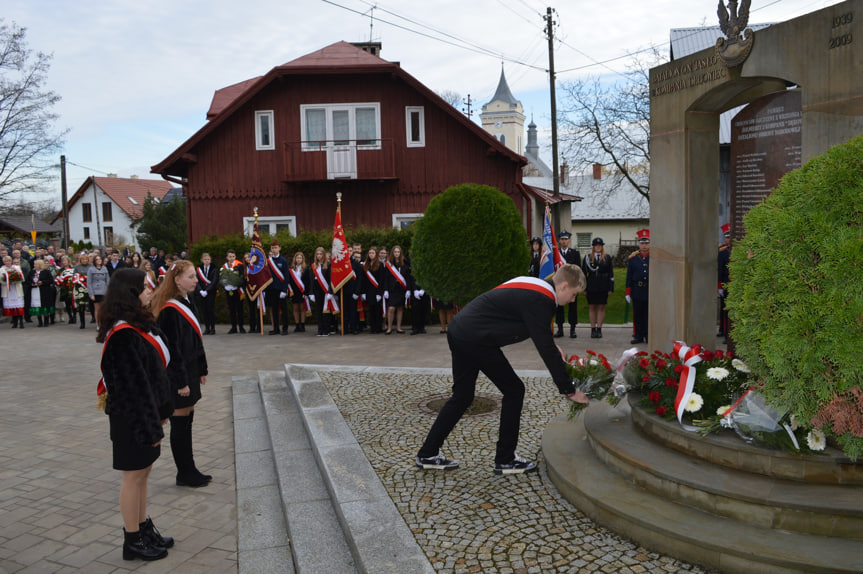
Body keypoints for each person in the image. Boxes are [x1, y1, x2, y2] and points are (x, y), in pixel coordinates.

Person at [416, 265, 588, 474]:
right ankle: (505, 459)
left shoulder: (535, 286)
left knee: (462, 396)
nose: (572, 300)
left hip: (461, 329)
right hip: (475, 339)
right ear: (563, 286)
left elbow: (540, 338)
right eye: (573, 294)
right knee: (515, 390)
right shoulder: (542, 300)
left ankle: (427, 454)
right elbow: (545, 348)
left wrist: (550, 347)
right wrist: (569, 389)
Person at [97, 268, 174, 561]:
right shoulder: (122, 334)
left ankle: (143, 528)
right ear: (128, 292)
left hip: (145, 416)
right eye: (143, 287)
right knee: (133, 477)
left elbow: (152, 374)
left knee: (143, 473)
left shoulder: (138, 323)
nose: (149, 291)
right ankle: (132, 540)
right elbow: (132, 389)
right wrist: (150, 428)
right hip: (133, 420)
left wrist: (161, 411)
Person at [150, 261, 211, 488]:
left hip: (191, 370)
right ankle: (184, 473)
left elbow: (196, 338)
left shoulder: (187, 300)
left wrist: (202, 368)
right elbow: (172, 349)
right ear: (176, 279)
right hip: (179, 375)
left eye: (195, 276)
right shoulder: (169, 308)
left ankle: (190, 467)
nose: (196, 280)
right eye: (191, 277)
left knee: (187, 420)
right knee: (180, 422)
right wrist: (181, 381)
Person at [582, 237, 614, 339]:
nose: (598, 247)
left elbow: (611, 274)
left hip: (603, 285)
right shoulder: (588, 258)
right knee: (592, 307)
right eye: (596, 245)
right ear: (593, 247)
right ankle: (592, 329)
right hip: (591, 285)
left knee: (601, 307)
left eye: (600, 245)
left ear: (602, 247)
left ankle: (599, 329)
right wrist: (584, 288)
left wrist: (610, 287)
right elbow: (583, 274)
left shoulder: (607, 257)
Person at [625, 229, 650, 344]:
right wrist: (627, 292)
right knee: (638, 314)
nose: (644, 246)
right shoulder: (633, 258)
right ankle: (638, 335)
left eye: (646, 243)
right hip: (637, 289)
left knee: (648, 314)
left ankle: (648, 335)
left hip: (649, 290)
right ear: (639, 244)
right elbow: (629, 276)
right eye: (642, 243)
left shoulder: (654, 258)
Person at [555, 231, 581, 338]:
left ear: (569, 240)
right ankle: (560, 329)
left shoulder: (575, 253)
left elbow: (578, 269)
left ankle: (572, 330)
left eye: (566, 239)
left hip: (571, 285)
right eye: (562, 239)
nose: (564, 241)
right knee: (559, 307)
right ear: (559, 241)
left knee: (572, 307)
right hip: (560, 285)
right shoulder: (556, 254)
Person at [264, 240, 290, 335]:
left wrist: (284, 289)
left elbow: (286, 276)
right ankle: (276, 328)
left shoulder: (283, 261)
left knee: (283, 309)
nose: (274, 249)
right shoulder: (268, 261)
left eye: (275, 248)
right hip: (271, 289)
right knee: (274, 309)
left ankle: (285, 328)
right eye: (272, 248)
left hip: (280, 289)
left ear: (279, 248)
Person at [383, 245, 409, 334]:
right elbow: (385, 278)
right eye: (395, 252)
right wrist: (385, 290)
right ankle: (389, 328)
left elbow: (407, 277)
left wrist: (408, 289)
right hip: (392, 290)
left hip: (401, 289)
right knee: (391, 308)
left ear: (400, 253)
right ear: (392, 253)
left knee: (400, 308)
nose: (396, 253)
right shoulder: (388, 264)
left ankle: (399, 328)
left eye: (398, 252)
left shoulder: (404, 264)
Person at [309, 246, 334, 337]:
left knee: (326, 311)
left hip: (325, 290)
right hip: (317, 291)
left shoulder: (328, 265)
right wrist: (311, 293)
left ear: (324, 255)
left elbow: (331, 279)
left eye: (321, 254)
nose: (319, 256)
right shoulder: (313, 266)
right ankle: (320, 329)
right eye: (317, 254)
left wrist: (330, 292)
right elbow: (311, 280)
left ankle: (326, 330)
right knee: (319, 311)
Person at [220, 250, 245, 334]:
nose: (231, 258)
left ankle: (241, 327)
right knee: (232, 309)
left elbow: (242, 277)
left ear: (235, 257)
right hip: (229, 290)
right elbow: (222, 278)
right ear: (227, 257)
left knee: (240, 309)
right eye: (230, 256)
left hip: (237, 290)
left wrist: (237, 284)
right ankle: (233, 327)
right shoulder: (224, 266)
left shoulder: (239, 265)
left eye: (233, 256)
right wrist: (225, 284)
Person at [26, 259, 56, 327]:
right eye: (34, 264)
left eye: (36, 264)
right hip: (35, 291)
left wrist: (42, 282)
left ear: (40, 265)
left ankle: (46, 321)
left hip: (44, 291)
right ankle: (40, 322)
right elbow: (27, 281)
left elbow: (50, 280)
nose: (34, 265)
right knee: (37, 305)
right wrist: (32, 284)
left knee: (44, 305)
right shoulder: (32, 272)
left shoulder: (46, 272)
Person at [361, 246, 383, 334]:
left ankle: (378, 327)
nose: (371, 255)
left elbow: (381, 280)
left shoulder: (380, 265)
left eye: (373, 253)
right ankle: (372, 328)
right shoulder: (366, 265)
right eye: (370, 253)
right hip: (369, 291)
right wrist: (363, 292)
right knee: (371, 310)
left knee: (377, 310)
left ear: (376, 254)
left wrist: (379, 293)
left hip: (376, 291)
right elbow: (364, 280)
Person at [196, 253, 218, 334]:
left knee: (210, 310)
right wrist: (200, 291)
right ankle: (207, 328)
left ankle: (212, 328)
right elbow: (196, 281)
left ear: (210, 260)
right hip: (201, 293)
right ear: (202, 260)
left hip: (210, 292)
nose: (207, 261)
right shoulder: (199, 269)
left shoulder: (214, 269)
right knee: (204, 311)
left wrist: (207, 291)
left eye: (208, 259)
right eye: (205, 259)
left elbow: (214, 281)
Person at [1, 255, 25, 328]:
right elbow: (1, 280)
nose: (8, 262)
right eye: (6, 261)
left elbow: (22, 278)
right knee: (12, 307)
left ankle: (21, 322)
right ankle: (14, 322)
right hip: (8, 290)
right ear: (4, 262)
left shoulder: (16, 268)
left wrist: (16, 280)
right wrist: (8, 282)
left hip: (16, 288)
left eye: (9, 261)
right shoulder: (2, 269)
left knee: (19, 306)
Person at [288, 251, 308, 332]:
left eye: (300, 258)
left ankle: (302, 325)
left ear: (302, 259)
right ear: (295, 259)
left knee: (302, 308)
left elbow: (307, 281)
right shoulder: (292, 269)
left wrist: (306, 292)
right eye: (297, 258)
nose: (298, 259)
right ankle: (297, 325)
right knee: (295, 308)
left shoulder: (305, 268)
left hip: (302, 291)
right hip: (294, 291)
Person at [718, 223, 731, 344]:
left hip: (734, 284)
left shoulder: (737, 251)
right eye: (727, 237)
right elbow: (720, 270)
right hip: (726, 284)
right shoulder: (722, 252)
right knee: (725, 310)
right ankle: (726, 334)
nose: (729, 239)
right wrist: (720, 287)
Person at [88, 254, 110, 323]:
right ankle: (98, 324)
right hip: (95, 291)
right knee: (97, 309)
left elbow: (108, 280)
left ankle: (104, 323)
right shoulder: (91, 269)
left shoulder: (104, 268)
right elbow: (89, 282)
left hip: (104, 290)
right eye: (97, 259)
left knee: (104, 309)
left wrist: (108, 291)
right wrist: (91, 294)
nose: (99, 261)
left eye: (100, 259)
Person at [243, 252, 261, 334]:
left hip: (256, 290)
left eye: (248, 257)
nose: (247, 259)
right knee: (251, 309)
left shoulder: (255, 267)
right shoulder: (244, 268)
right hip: (248, 290)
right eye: (245, 258)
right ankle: (252, 327)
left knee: (258, 309)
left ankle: (259, 327)